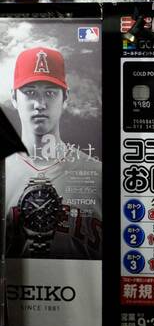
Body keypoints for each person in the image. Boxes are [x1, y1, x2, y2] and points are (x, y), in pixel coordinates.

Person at [4, 46, 102, 258]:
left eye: (50, 92)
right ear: (14, 97)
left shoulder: (98, 174)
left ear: (64, 98)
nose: (40, 104)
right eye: (30, 92)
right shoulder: (2, 171)